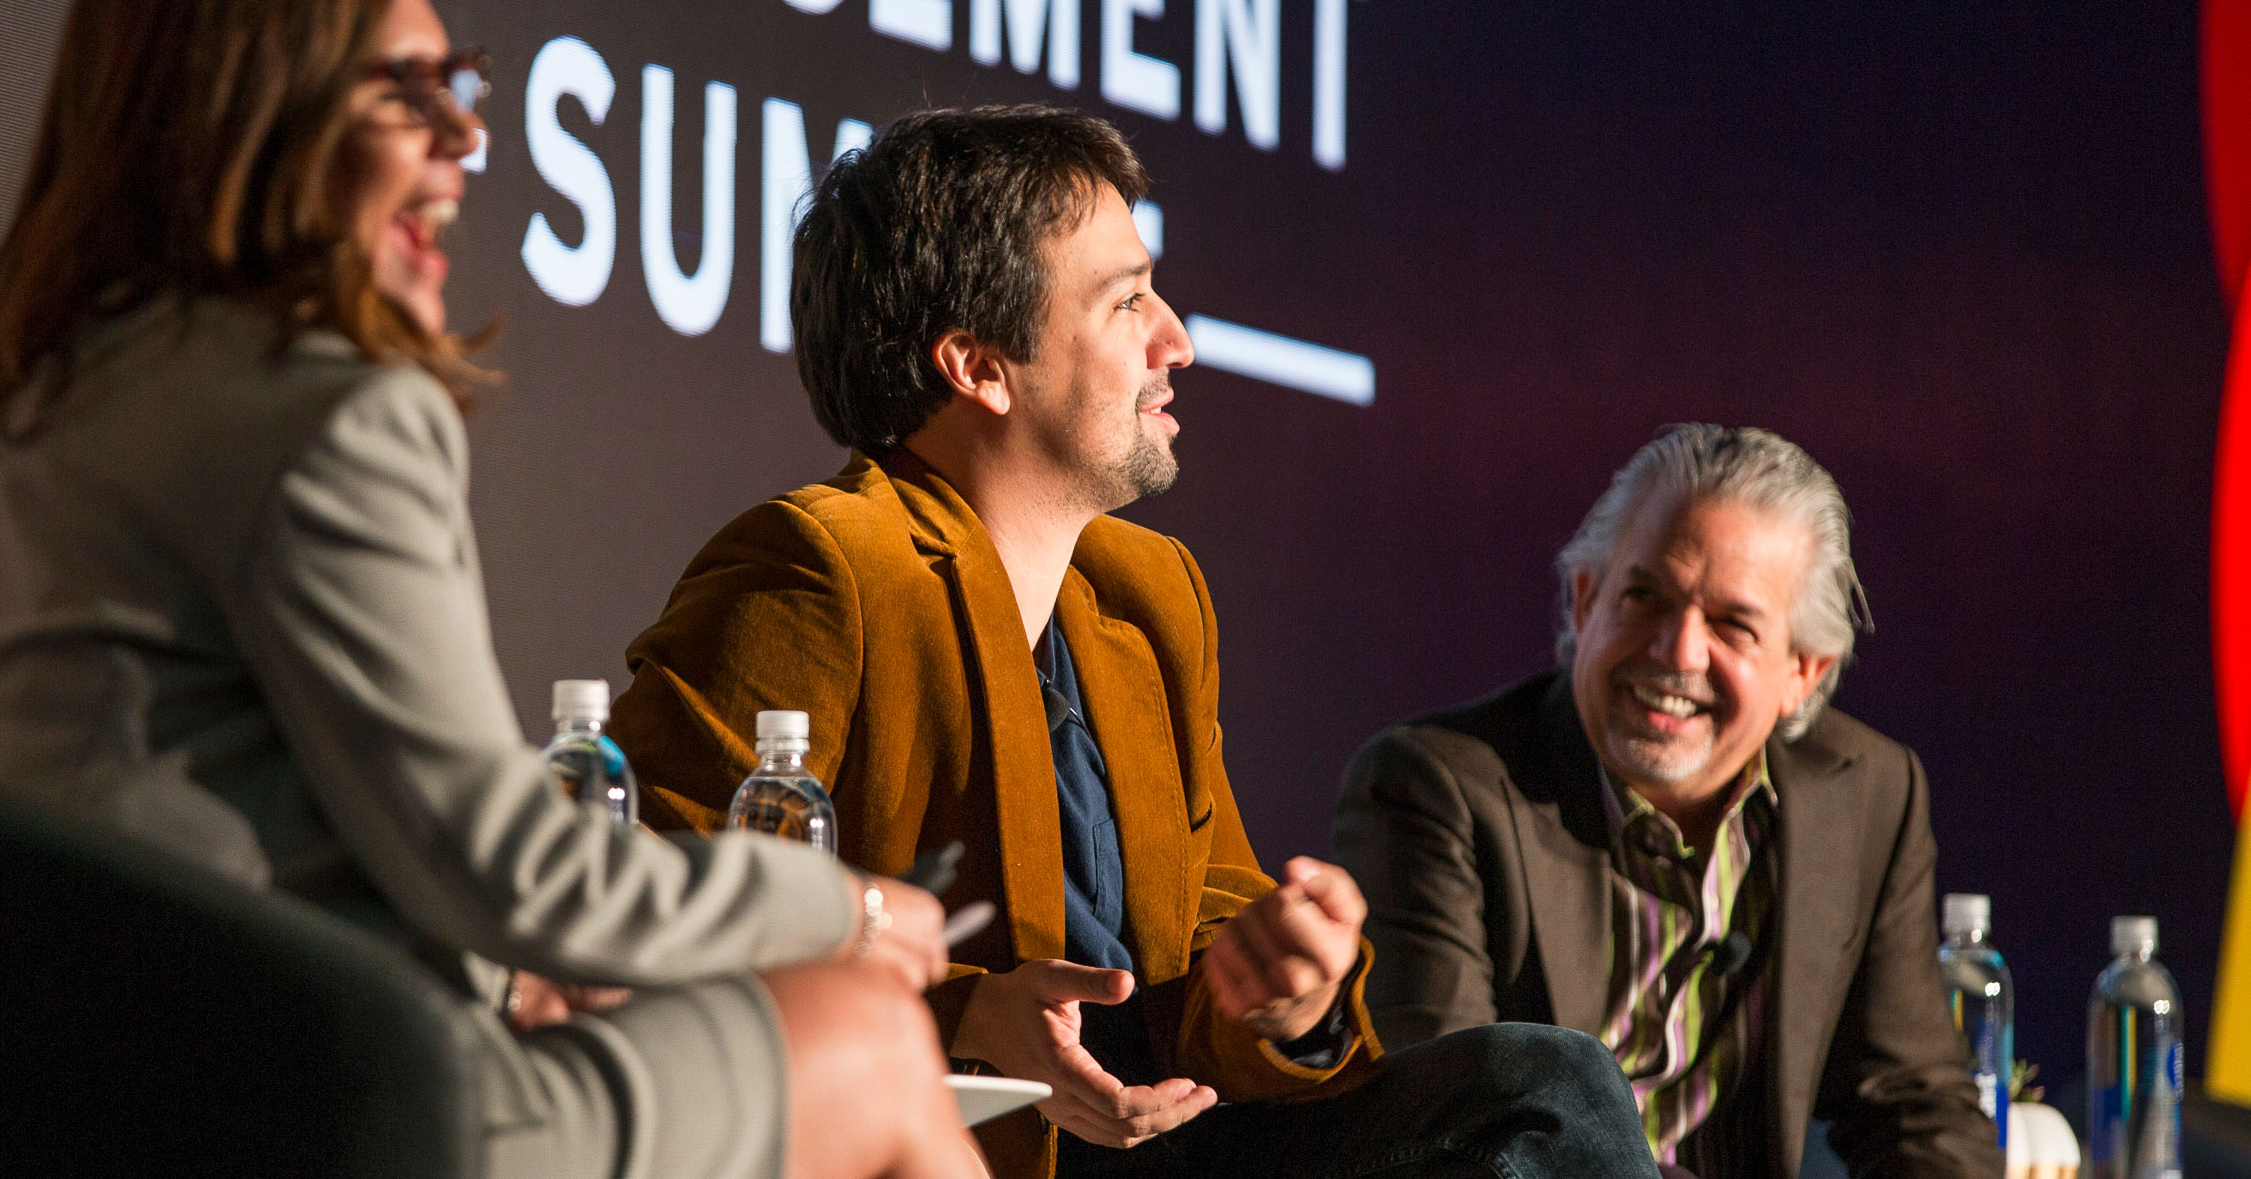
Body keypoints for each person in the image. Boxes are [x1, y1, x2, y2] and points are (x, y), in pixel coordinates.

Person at [0, 0, 981, 1179]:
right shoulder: (323, 408)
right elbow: (516, 870)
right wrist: (842, 907)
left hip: (94, 1098)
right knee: (873, 1033)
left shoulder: (63, 390)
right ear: (257, 107)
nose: (465, 136)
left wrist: (498, 973)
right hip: (313, 1107)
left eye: (466, 86)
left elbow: (257, 824)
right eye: (410, 92)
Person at [613, 105, 1660, 1179]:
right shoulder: (818, 567)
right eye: (1127, 302)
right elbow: (630, 920)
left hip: (1163, 1143)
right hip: (956, 1149)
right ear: (980, 365)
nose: (1179, 340)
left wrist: (1285, 990)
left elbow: (1204, 951)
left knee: (1544, 1092)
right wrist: (965, 1014)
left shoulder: (1147, 592)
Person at [1331, 425, 2004, 1179]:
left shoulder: (1871, 794)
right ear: (1586, 601)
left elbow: (1913, 1103)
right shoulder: (1435, 788)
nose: (1677, 650)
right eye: (1645, 596)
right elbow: (1456, 1137)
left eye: (1732, 624)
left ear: (1803, 673)